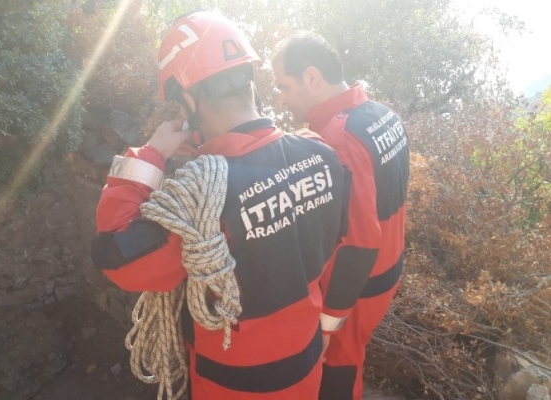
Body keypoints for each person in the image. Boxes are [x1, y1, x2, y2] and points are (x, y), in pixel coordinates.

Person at [91, 12, 347, 399]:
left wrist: (152, 154)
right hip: (305, 364)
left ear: (188, 99)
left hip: (234, 382)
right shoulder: (321, 153)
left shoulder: (201, 202)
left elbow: (115, 254)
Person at [271, 32, 410, 400]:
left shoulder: (340, 140)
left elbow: (356, 244)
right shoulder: (382, 115)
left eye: (284, 86)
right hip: (389, 266)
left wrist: (328, 324)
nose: (282, 99)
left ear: (311, 77)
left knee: (338, 370)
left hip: (357, 286)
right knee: (352, 358)